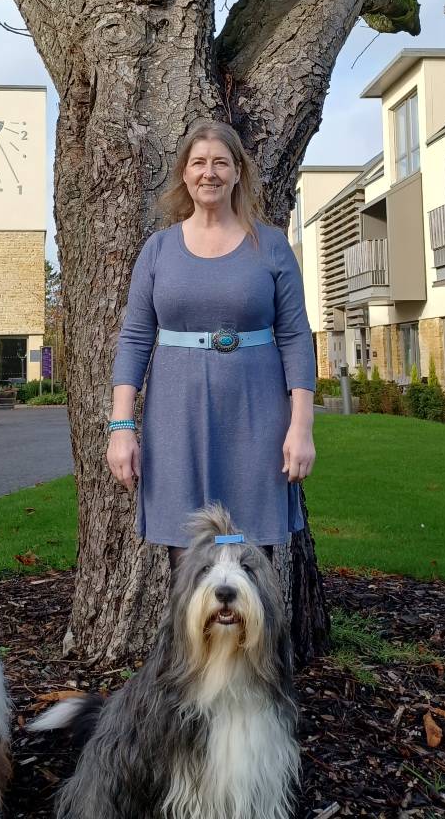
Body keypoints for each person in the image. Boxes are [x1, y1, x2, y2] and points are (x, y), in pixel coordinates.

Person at [106, 120, 317, 572]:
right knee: (187, 564)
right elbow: (135, 339)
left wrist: (301, 429)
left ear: (238, 172)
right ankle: (190, 646)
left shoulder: (272, 246)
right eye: (198, 162)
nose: (210, 172)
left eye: (221, 162)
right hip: (174, 422)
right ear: (184, 173)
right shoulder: (158, 250)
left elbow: (297, 338)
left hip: (256, 420)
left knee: (251, 564)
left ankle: (254, 647)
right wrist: (121, 428)